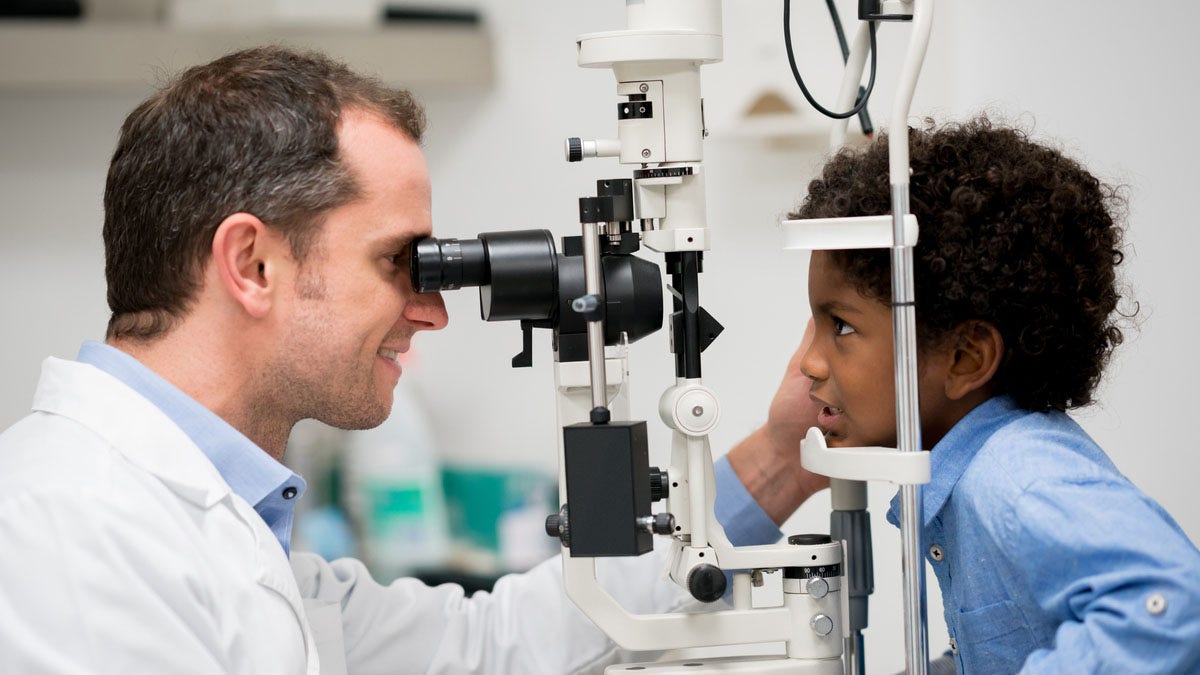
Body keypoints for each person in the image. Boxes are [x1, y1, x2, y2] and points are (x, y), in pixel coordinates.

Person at [0, 47, 821, 674]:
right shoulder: (67, 530)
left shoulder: (223, 524)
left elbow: (490, 646)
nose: (431, 310)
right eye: (402, 261)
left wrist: (787, 457)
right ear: (253, 265)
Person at [784, 118, 1200, 673]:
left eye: (840, 326)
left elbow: (1171, 607)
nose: (809, 362)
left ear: (965, 358)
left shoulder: (1015, 476)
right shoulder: (969, 472)